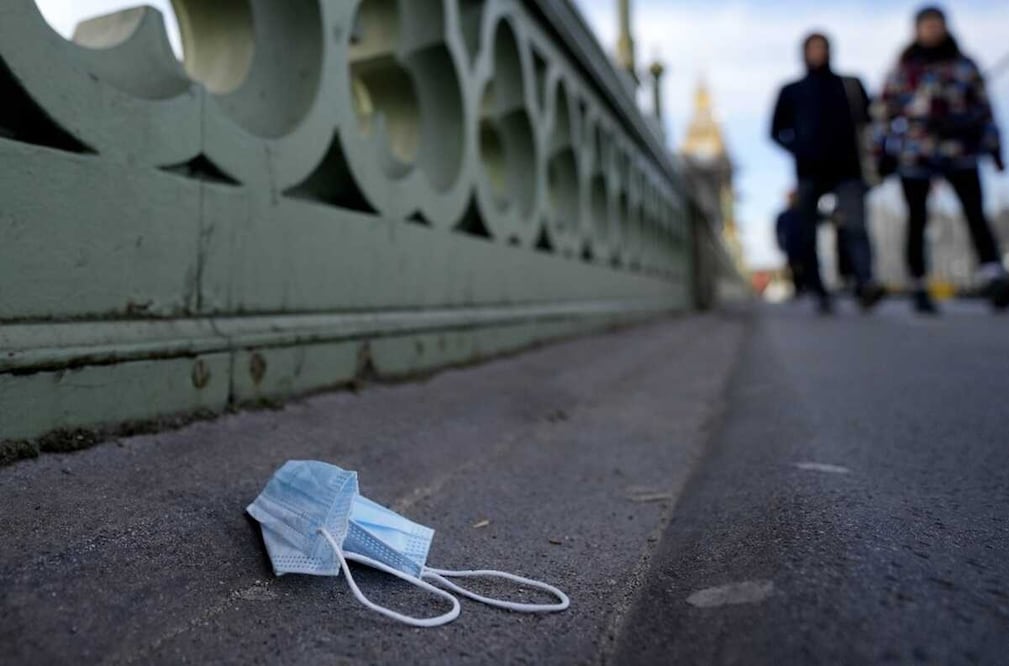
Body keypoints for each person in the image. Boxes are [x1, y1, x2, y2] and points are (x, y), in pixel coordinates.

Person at [876, 6, 1008, 313]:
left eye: (937, 25)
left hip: (959, 151)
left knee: (975, 211)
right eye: (927, 25)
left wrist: (994, 147)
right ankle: (919, 282)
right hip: (915, 154)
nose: (932, 30)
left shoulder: (963, 65)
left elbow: (985, 107)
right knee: (917, 218)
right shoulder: (903, 70)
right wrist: (882, 152)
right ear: (917, 30)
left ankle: (992, 273)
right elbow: (883, 113)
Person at [771, 33, 887, 314]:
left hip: (848, 169)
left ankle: (865, 282)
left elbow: (871, 121)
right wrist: (800, 149)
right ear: (803, 53)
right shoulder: (791, 90)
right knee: (808, 232)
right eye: (813, 48)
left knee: (856, 226)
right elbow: (775, 131)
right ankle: (819, 290)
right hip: (810, 172)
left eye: (822, 48)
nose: (818, 53)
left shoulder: (850, 85)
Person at [775, 191, 805, 297]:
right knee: (794, 267)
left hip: (803, 245)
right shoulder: (783, 215)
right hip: (791, 245)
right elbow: (778, 231)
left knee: (804, 266)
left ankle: (805, 287)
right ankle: (798, 288)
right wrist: (780, 244)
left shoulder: (802, 213)